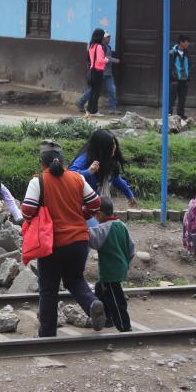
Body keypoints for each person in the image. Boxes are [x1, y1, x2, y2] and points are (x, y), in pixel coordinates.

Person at [21, 140, 106, 337]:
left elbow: (27, 211)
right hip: (79, 241)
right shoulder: (77, 178)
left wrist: (38, 217)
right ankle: (92, 303)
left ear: (42, 162)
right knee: (74, 279)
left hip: (52, 244)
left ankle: (47, 334)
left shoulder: (38, 181)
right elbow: (96, 204)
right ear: (63, 161)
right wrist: (81, 215)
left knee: (48, 290)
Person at [69, 129, 138, 220]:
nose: (114, 147)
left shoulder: (107, 159)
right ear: (102, 147)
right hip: (80, 206)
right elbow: (70, 176)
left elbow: (114, 178)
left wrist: (129, 194)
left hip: (95, 204)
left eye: (115, 144)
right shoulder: (85, 158)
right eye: (111, 145)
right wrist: (88, 172)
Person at [89, 197, 135, 332]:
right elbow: (131, 247)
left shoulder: (103, 228)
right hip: (120, 266)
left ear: (99, 214)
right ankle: (107, 320)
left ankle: (124, 325)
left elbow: (91, 239)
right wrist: (126, 262)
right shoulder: (122, 225)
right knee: (100, 290)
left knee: (116, 299)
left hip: (110, 271)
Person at [76, 31, 119, 115]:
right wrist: (113, 60)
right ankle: (85, 105)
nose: (108, 39)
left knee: (111, 90)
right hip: (100, 71)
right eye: (107, 37)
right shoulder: (99, 47)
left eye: (109, 37)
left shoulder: (105, 47)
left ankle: (112, 108)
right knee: (94, 91)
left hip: (106, 72)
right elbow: (102, 58)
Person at [86, 28, 109, 117]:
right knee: (96, 92)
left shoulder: (91, 45)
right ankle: (94, 111)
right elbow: (100, 60)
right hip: (98, 71)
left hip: (92, 70)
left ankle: (89, 110)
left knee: (92, 92)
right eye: (102, 35)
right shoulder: (99, 47)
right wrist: (106, 59)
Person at [170, 34, 191, 119]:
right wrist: (172, 78)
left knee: (182, 99)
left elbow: (189, 66)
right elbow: (170, 67)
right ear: (181, 42)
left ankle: (180, 116)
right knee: (172, 99)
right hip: (174, 80)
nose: (188, 44)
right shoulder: (172, 53)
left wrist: (188, 77)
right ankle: (169, 115)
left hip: (184, 80)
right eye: (186, 42)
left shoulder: (186, 53)